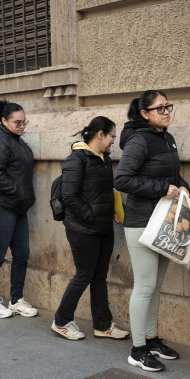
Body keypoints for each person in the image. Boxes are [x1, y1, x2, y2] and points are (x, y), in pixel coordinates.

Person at [114, 90, 188, 372]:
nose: (166, 112)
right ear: (144, 114)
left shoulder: (167, 137)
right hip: (142, 222)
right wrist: (161, 188)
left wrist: (182, 185)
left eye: (168, 106)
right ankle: (137, 350)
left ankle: (151, 339)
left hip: (164, 222)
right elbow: (122, 179)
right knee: (144, 286)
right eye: (160, 108)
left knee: (155, 286)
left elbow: (171, 175)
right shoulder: (139, 140)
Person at [52, 116, 129, 341]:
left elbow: (104, 192)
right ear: (100, 134)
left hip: (103, 227)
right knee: (84, 275)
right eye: (112, 136)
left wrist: (114, 210)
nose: (113, 140)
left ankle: (103, 325)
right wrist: (92, 217)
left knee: (99, 277)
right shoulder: (76, 159)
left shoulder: (104, 159)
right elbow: (69, 197)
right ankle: (61, 321)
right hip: (82, 229)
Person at [0, 99, 39, 319]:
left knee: (22, 254)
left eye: (24, 122)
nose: (22, 126)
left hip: (16, 206)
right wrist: (17, 191)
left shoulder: (15, 138)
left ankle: (16, 300)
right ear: (4, 121)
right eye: (17, 123)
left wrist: (20, 195)